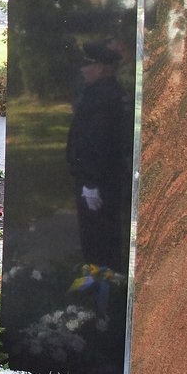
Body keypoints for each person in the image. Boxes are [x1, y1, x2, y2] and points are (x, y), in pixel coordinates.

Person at [67, 42, 129, 272]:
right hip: (91, 176)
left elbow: (99, 142)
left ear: (102, 68)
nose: (83, 69)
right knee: (93, 233)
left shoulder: (104, 98)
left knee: (98, 234)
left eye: (88, 65)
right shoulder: (96, 93)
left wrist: (91, 182)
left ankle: (103, 279)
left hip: (97, 179)